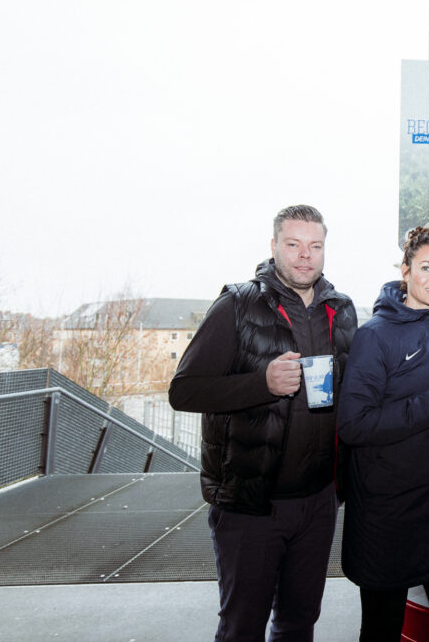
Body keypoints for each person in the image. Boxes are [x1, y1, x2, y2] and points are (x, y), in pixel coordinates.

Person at [169, 204, 357, 642]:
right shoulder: (236, 304)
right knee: (242, 629)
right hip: (252, 505)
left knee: (298, 624)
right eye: (293, 244)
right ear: (274, 247)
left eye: (315, 246)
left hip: (318, 503)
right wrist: (262, 383)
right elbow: (185, 390)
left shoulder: (342, 310)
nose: (304, 255)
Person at [336, 226, 429, 642]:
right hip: (388, 514)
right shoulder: (374, 335)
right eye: (427, 268)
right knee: (382, 631)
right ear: (406, 272)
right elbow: (353, 423)